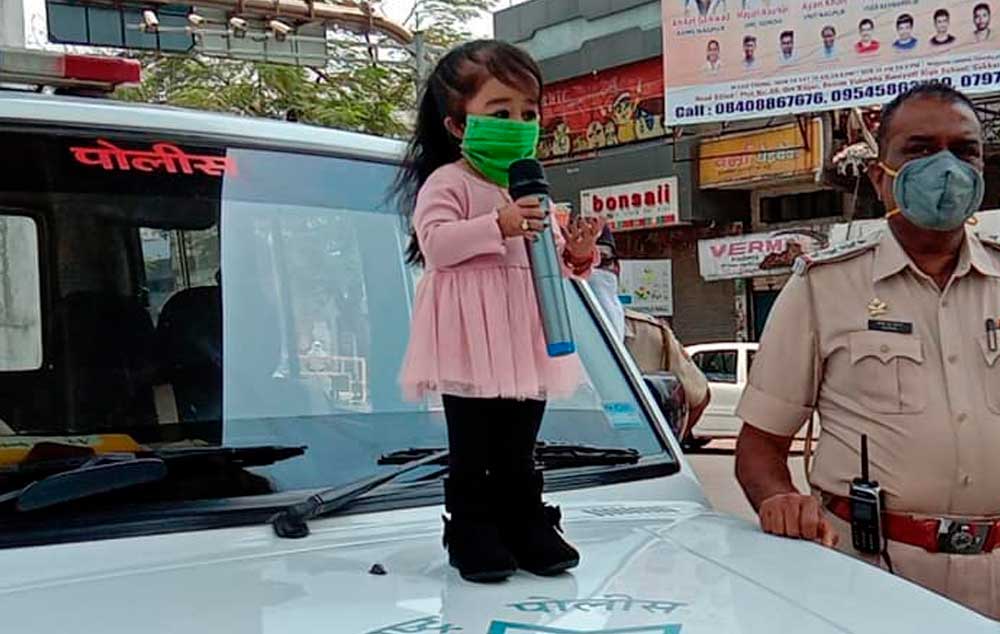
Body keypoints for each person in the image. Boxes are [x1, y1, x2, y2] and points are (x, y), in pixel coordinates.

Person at [734, 83, 1000, 619]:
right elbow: (758, 450)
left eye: (964, 150)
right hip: (869, 572)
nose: (946, 168)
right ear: (882, 179)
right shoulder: (822, 286)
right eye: (921, 150)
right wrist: (779, 501)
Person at [395, 40, 604, 583]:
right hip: (468, 338)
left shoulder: (530, 186)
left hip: (525, 339)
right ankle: (468, 526)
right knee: (473, 444)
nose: (518, 124)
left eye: (529, 113)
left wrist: (578, 253)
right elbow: (437, 246)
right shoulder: (449, 183)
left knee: (518, 442)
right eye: (500, 112)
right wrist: (499, 225)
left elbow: (554, 264)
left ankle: (524, 521)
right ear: (458, 125)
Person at [589, 226, 626, 340]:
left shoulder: (651, 336)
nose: (591, 272)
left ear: (617, 268)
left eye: (602, 260)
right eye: (580, 264)